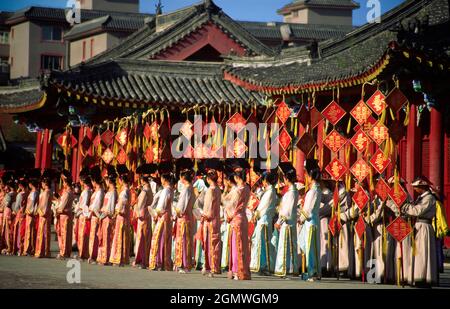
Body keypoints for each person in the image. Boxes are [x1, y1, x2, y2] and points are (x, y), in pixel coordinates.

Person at [401, 177, 438, 286]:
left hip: (424, 226)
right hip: (418, 225)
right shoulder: (421, 198)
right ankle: (417, 276)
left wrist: (404, 206)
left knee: (423, 252)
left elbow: (417, 210)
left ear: (422, 187)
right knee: (417, 253)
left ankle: (423, 278)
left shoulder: (429, 198)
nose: (415, 189)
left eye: (417, 187)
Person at [224, 169, 251, 280]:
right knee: (243, 246)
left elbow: (230, 204)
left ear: (236, 177)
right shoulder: (247, 188)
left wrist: (228, 215)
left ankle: (236, 270)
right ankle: (244, 270)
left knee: (236, 246)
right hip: (243, 218)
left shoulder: (237, 190)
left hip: (236, 219)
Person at [250, 171, 278, 275]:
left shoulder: (270, 191)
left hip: (264, 220)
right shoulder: (268, 191)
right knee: (260, 243)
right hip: (263, 220)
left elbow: (263, 207)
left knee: (265, 244)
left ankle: (267, 266)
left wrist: (255, 214)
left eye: (264, 180)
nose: (263, 182)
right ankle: (261, 265)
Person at [274, 168, 299, 278]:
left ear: (287, 178)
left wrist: (279, 221)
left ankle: (286, 269)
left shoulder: (292, 193)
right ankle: (288, 269)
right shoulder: (290, 192)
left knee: (286, 246)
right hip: (287, 222)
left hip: (287, 223)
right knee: (287, 246)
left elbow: (287, 210)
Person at [149, 172, 174, 271]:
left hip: (163, 216)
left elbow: (161, 206)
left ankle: (158, 261)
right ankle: (164, 262)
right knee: (166, 239)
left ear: (164, 180)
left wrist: (155, 214)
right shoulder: (170, 190)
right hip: (167, 216)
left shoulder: (165, 191)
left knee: (159, 238)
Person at [201, 170, 222, 277]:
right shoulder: (218, 189)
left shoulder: (210, 190)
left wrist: (203, 215)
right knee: (215, 243)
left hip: (209, 220)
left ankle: (210, 267)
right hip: (216, 219)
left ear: (208, 179)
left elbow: (207, 206)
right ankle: (214, 266)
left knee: (209, 243)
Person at [174, 170, 196, 273]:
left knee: (182, 240)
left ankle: (183, 264)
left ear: (183, 178)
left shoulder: (186, 189)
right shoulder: (191, 188)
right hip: (189, 217)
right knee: (187, 241)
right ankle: (187, 264)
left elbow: (181, 206)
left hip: (183, 218)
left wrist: (177, 212)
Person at [133, 165, 154, 269]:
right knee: (146, 238)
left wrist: (135, 209)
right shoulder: (149, 190)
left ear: (142, 180)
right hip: (147, 215)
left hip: (142, 216)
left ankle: (142, 260)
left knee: (142, 238)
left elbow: (140, 205)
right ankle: (144, 260)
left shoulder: (145, 191)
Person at [109, 171, 131, 266]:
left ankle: (118, 259)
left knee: (119, 237)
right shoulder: (127, 190)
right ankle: (122, 259)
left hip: (121, 217)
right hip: (125, 217)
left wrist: (116, 212)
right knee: (123, 237)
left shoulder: (124, 192)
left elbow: (122, 204)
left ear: (121, 180)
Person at [97, 171, 117, 265]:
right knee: (103, 237)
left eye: (106, 180)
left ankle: (106, 258)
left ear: (109, 181)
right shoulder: (109, 192)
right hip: (104, 217)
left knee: (107, 238)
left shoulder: (113, 193)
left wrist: (102, 215)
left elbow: (110, 209)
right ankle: (102, 257)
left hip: (108, 217)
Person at [55, 171, 75, 259]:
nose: (63, 183)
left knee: (64, 234)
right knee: (67, 234)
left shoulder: (67, 193)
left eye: (63, 182)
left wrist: (56, 211)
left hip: (64, 215)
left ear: (66, 182)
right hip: (67, 215)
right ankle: (66, 252)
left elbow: (62, 207)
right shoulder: (70, 192)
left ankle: (63, 252)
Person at [87, 173, 104, 264]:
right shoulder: (96, 191)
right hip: (92, 215)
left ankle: (94, 256)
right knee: (92, 237)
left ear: (94, 181)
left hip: (96, 216)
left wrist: (90, 210)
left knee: (95, 237)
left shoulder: (100, 191)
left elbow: (96, 206)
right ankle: (91, 255)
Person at [75, 174, 92, 260]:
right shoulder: (88, 191)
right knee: (84, 235)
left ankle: (82, 253)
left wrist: (79, 211)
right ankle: (83, 252)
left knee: (82, 235)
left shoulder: (86, 192)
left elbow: (84, 204)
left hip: (83, 214)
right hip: (83, 214)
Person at [34, 177, 53, 258]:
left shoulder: (46, 193)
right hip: (47, 215)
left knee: (42, 233)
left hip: (43, 215)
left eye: (42, 183)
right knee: (46, 233)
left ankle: (41, 251)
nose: (41, 184)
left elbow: (43, 205)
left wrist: (39, 211)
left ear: (45, 183)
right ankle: (45, 251)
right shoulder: (49, 192)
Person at [23, 177, 39, 256]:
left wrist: (28, 211)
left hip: (30, 214)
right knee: (31, 231)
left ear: (31, 184)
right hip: (32, 213)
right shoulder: (36, 192)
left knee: (29, 231)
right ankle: (31, 248)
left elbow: (31, 204)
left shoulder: (33, 192)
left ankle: (28, 249)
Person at [12, 178, 28, 256]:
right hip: (26, 215)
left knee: (18, 232)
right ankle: (24, 249)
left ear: (20, 185)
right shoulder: (29, 193)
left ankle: (18, 249)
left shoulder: (20, 194)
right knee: (24, 232)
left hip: (20, 214)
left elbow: (16, 207)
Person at [1, 178, 16, 255]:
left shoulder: (10, 194)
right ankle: (9, 246)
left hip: (7, 212)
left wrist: (2, 206)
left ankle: (9, 247)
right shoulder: (15, 193)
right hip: (10, 212)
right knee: (9, 230)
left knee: (7, 230)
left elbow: (6, 204)